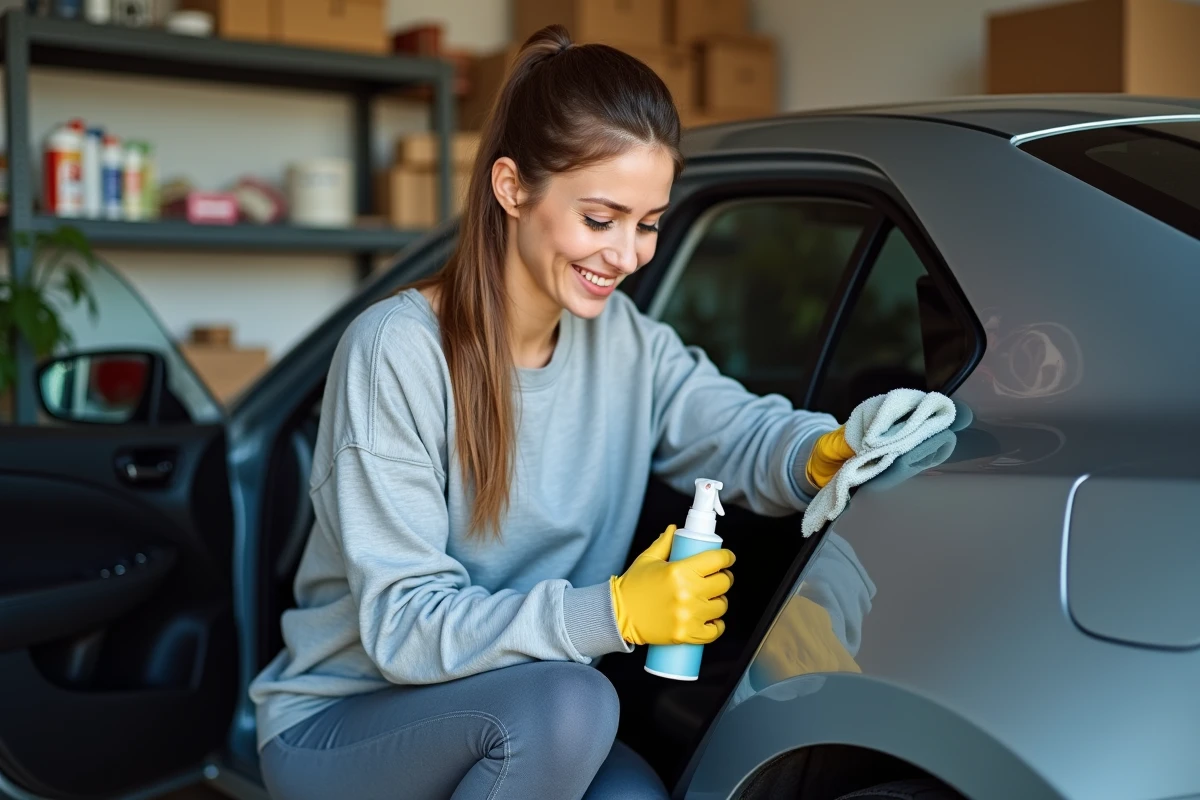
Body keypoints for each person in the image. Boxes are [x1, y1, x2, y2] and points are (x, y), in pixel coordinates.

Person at [249, 24, 860, 800]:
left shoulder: (625, 342)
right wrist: (614, 613)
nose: (629, 255)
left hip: (525, 709)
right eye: (601, 219)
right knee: (575, 704)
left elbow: (737, 432)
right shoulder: (397, 350)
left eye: (649, 223)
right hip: (345, 720)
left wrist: (826, 449)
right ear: (512, 188)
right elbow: (403, 626)